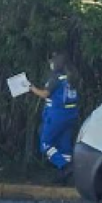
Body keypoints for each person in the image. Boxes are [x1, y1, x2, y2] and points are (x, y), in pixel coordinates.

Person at [29, 52, 80, 184]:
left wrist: (31, 88)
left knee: (45, 144)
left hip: (56, 115)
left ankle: (64, 166)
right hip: (71, 115)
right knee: (65, 146)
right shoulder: (71, 78)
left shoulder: (55, 79)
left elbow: (45, 94)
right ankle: (64, 177)